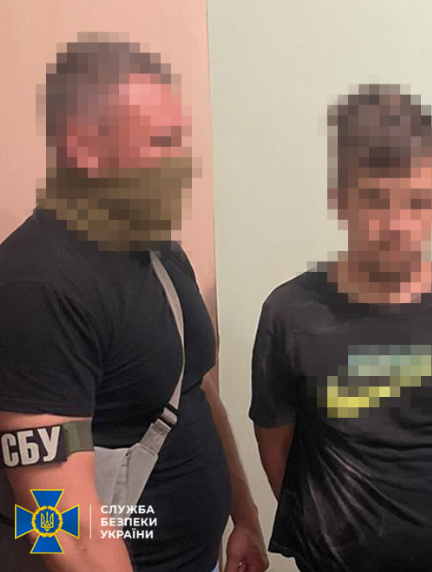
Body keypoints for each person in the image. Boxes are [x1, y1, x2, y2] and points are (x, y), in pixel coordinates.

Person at [0, 36, 269, 572]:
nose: (180, 161)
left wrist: (244, 516)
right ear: (82, 146)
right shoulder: (37, 287)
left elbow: (194, 388)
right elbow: (60, 528)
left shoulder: (158, 249)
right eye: (160, 142)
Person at [250, 84, 432, 572]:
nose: (396, 225)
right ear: (339, 200)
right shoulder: (290, 314)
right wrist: (325, 527)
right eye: (375, 200)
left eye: (416, 202)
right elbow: (275, 447)